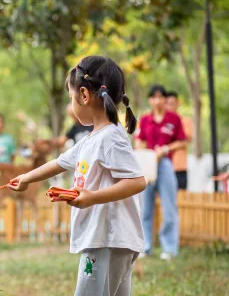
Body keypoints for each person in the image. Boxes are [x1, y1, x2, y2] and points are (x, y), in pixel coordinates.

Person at [9, 56, 146, 296]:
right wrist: (26, 178)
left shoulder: (111, 138)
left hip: (108, 239)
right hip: (104, 238)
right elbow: (58, 163)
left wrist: (92, 197)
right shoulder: (91, 140)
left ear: (84, 95)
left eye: (71, 98)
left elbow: (137, 181)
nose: (72, 105)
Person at [136, 85, 187, 260]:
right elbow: (139, 140)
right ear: (150, 100)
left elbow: (182, 141)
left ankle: (169, 248)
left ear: (165, 99)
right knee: (145, 208)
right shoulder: (144, 119)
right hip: (147, 163)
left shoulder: (174, 118)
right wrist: (142, 157)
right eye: (154, 97)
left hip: (165, 164)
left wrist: (165, 149)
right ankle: (145, 247)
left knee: (169, 207)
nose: (158, 100)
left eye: (161, 97)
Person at [166, 91, 193, 192]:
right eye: (167, 104)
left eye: (172, 103)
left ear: (178, 104)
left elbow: (185, 140)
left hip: (179, 168)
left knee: (181, 198)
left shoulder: (185, 121)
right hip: (163, 166)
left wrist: (167, 148)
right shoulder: (161, 123)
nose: (169, 107)